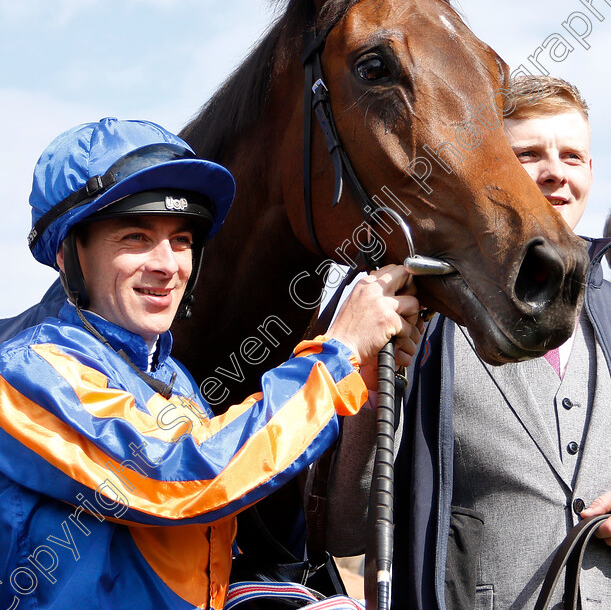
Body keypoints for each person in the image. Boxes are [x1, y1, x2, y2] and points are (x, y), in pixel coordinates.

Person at [0, 117, 424, 610]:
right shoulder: (27, 371)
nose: (167, 264)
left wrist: (357, 378)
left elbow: (221, 520)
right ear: (69, 253)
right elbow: (177, 479)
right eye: (136, 236)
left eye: (182, 240)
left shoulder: (172, 379)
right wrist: (335, 357)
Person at [326, 76, 611, 610]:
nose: (555, 173)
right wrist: (370, 386)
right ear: (490, 169)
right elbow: (347, 528)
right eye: (529, 153)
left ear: (590, 172)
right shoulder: (421, 310)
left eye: (572, 156)